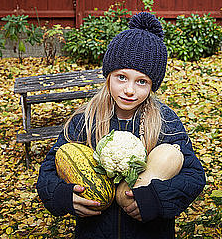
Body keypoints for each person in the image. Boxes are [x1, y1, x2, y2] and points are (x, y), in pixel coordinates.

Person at [36, 12, 206, 239]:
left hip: (150, 232)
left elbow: (193, 175)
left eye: (142, 81)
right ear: (108, 76)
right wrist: (62, 196)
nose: (129, 90)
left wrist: (157, 199)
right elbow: (49, 169)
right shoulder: (85, 119)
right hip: (94, 233)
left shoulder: (165, 121)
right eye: (122, 77)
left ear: (152, 85)